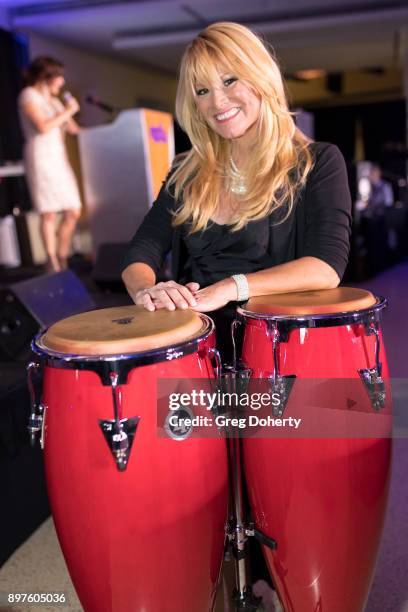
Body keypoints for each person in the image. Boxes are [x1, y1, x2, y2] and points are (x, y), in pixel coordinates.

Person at [121, 22, 352, 361]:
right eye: (202, 91)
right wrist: (148, 291)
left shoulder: (317, 162)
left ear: (261, 78)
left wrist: (230, 288)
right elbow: (141, 250)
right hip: (195, 354)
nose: (217, 102)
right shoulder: (185, 173)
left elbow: (326, 267)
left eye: (230, 81)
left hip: (280, 354)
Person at [18, 56, 82, 272]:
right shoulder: (29, 96)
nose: (62, 82)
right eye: (59, 76)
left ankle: (62, 256)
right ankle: (52, 261)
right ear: (46, 77)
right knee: (49, 212)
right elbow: (43, 127)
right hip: (41, 157)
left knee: (73, 210)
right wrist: (68, 111)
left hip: (58, 157)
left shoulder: (54, 101)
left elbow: (73, 130)